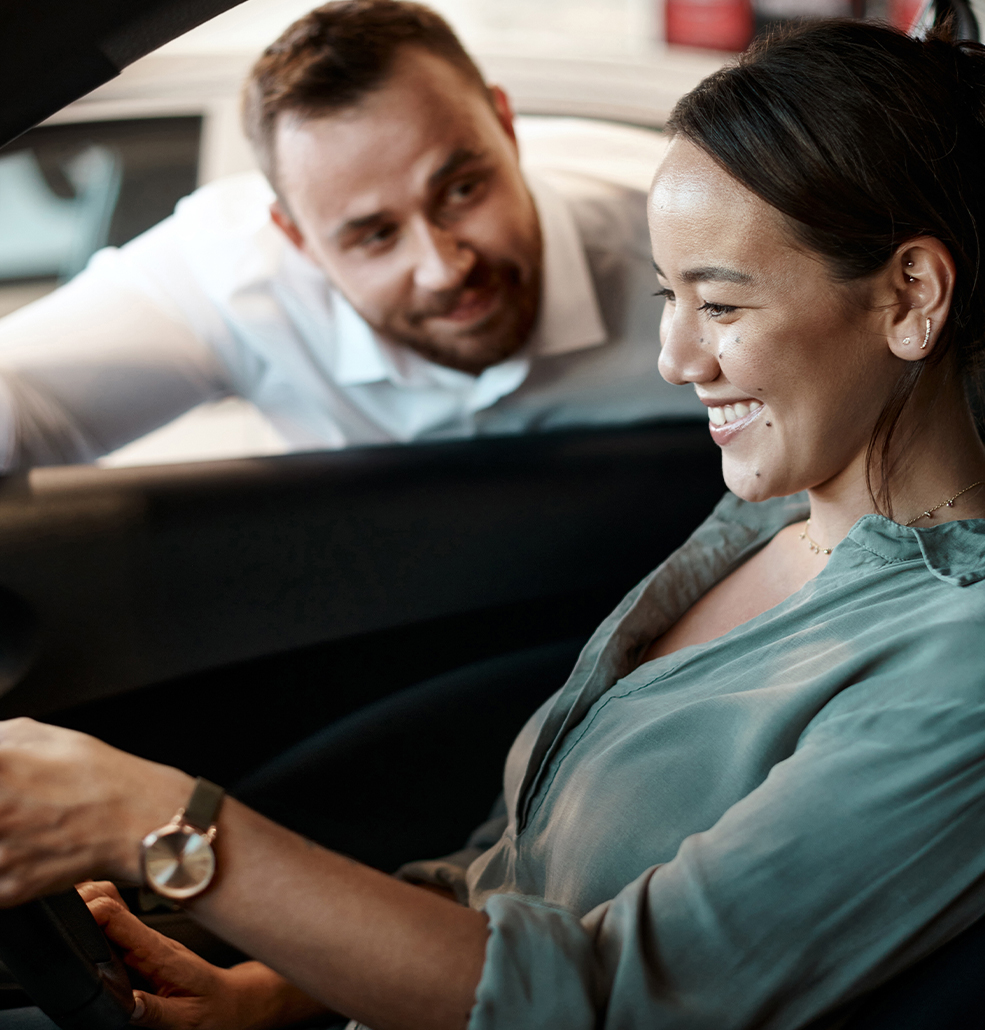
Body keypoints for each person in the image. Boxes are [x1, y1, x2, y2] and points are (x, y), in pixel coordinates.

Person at [1, 15, 985, 1030]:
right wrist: (267, 992)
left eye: (722, 307)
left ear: (910, 294)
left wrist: (159, 823)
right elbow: (515, 876)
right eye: (665, 296)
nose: (674, 359)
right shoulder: (767, 511)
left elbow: (612, 999)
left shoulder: (959, 672)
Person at [0, 0, 699, 471]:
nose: (441, 268)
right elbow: (20, 404)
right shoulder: (231, 274)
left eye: (460, 191)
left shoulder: (695, 238)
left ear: (506, 129)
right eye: (373, 235)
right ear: (296, 237)